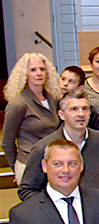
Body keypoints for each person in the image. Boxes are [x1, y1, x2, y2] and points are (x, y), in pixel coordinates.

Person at [19, 90, 99, 199]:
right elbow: (26, 190)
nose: (81, 114)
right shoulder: (44, 147)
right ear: (62, 115)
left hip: (98, 211)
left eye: (85, 109)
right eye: (74, 109)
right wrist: (50, 208)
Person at [4, 52, 61, 183]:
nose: (39, 73)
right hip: (29, 165)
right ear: (25, 74)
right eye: (33, 70)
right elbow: (7, 142)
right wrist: (17, 167)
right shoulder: (18, 104)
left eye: (42, 69)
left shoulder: (53, 99)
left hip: (53, 162)